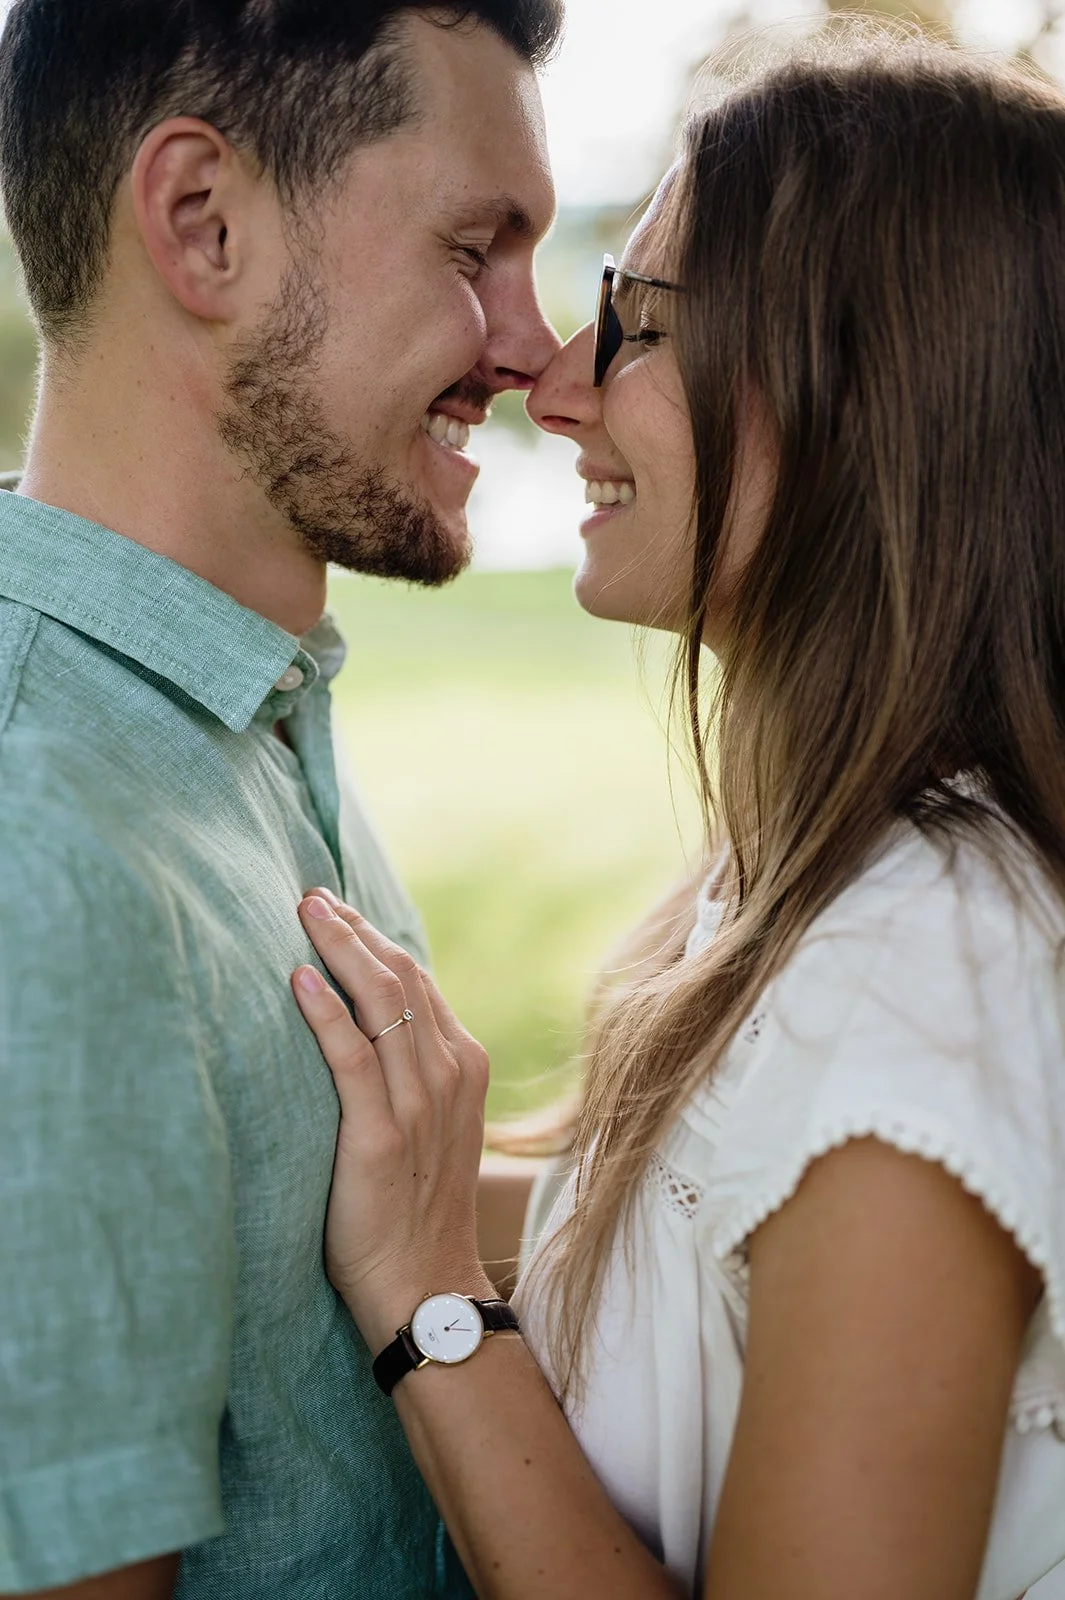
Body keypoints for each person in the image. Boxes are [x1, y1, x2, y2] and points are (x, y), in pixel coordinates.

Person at [290, 32, 1065, 1600]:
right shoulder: (786, 887)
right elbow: (673, 1243)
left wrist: (434, 1309)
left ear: (863, 387)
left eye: (634, 324)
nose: (554, 385)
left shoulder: (919, 977)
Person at [0, 0, 561, 1595]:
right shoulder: (40, 829)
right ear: (205, 226)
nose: (532, 347)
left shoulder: (230, 703)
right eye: (476, 248)